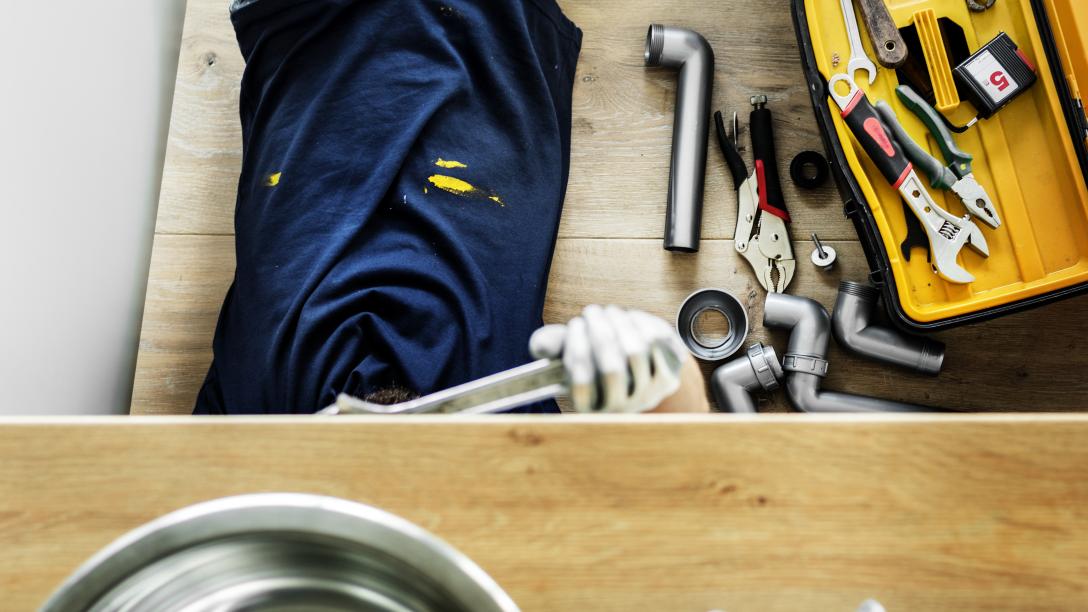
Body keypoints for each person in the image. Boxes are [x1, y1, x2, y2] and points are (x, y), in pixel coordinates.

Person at [196, 0, 709, 415]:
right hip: (491, 27)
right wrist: (667, 378)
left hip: (307, 25)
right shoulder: (512, 449)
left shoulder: (251, 438)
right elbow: (698, 494)